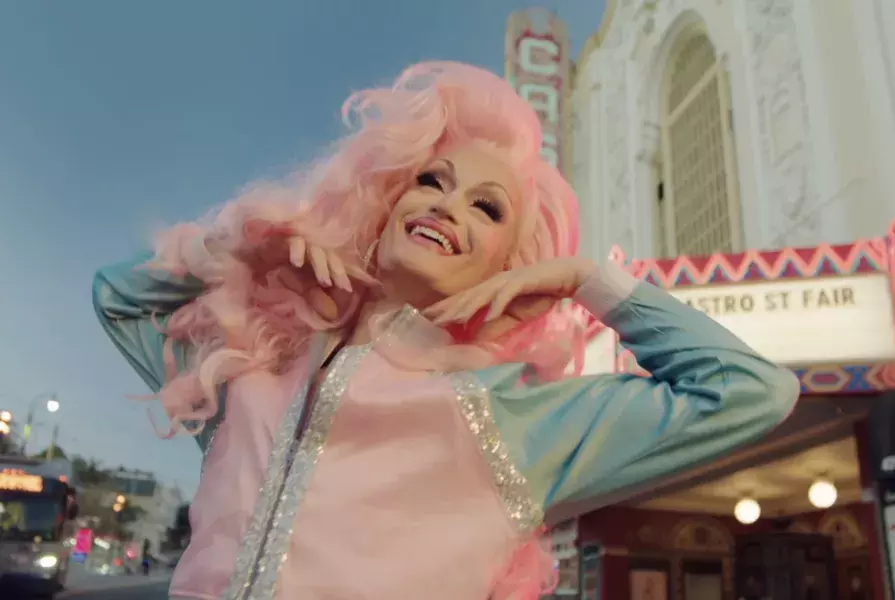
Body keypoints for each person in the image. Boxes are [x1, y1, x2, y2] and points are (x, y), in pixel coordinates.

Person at [92, 62, 800, 600]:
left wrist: (589, 281)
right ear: (385, 203)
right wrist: (240, 248)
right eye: (432, 180)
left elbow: (750, 393)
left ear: (510, 262)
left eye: (487, 209)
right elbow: (118, 298)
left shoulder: (515, 416)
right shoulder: (255, 364)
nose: (447, 206)